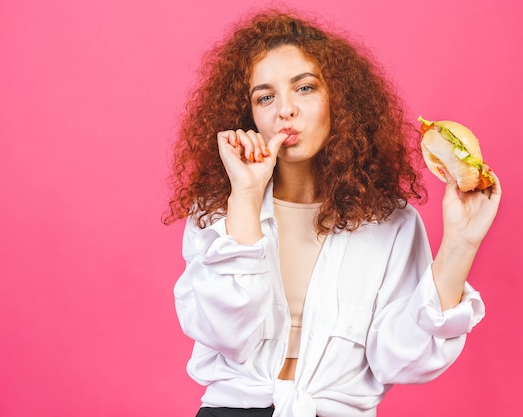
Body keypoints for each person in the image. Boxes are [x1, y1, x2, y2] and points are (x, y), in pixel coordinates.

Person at [163, 10, 501, 417]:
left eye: (304, 88)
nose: (284, 110)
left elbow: (399, 361)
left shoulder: (390, 223)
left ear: (338, 100)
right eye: (265, 96)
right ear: (248, 114)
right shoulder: (218, 213)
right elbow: (226, 334)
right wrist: (246, 198)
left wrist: (461, 245)